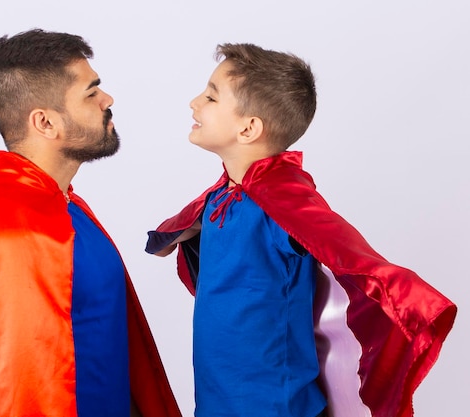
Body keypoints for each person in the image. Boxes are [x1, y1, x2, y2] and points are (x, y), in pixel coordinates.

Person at [145, 43, 456, 417]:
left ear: (249, 128)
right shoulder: (220, 198)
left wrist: (411, 302)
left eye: (211, 97)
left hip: (275, 403)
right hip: (218, 396)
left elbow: (340, 246)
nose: (195, 102)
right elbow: (173, 238)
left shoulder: (283, 200)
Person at [0, 29, 181, 417]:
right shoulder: (11, 231)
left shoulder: (59, 203)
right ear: (45, 122)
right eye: (91, 92)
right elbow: (23, 394)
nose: (107, 100)